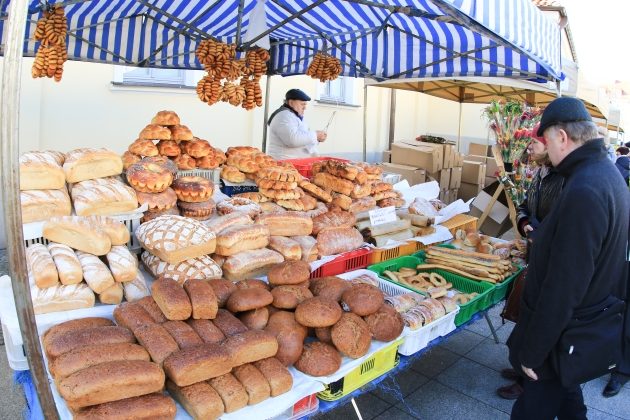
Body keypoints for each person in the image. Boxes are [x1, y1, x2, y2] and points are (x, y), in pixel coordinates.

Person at [507, 97, 629, 419]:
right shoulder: (605, 174)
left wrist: (533, 353)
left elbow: (564, 286)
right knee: (569, 400)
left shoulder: (586, 189)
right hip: (576, 329)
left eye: (546, 141)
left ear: (562, 136)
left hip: (563, 334)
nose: (546, 150)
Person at [497, 122, 564, 400]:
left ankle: (528, 379)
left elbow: (562, 219)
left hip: (550, 257)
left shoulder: (564, 179)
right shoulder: (541, 173)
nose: (529, 147)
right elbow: (525, 204)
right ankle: (520, 365)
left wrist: (541, 232)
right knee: (527, 313)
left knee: (536, 317)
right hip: (534, 251)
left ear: (548, 144)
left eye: (534, 143)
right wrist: (524, 223)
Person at [266, 89, 327, 159]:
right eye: (302, 104)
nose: (305, 108)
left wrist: (317, 139)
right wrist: (315, 135)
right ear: (291, 103)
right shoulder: (283, 116)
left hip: (296, 163)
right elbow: (292, 140)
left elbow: (303, 139)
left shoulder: (295, 116)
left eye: (305, 104)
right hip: (284, 163)